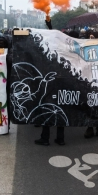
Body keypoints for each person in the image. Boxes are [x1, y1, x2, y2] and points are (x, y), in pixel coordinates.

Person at [35, 15, 65, 146]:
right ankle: (60, 138)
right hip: (61, 83)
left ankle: (45, 138)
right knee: (60, 110)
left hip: (51, 84)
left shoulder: (48, 54)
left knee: (46, 109)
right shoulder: (64, 51)